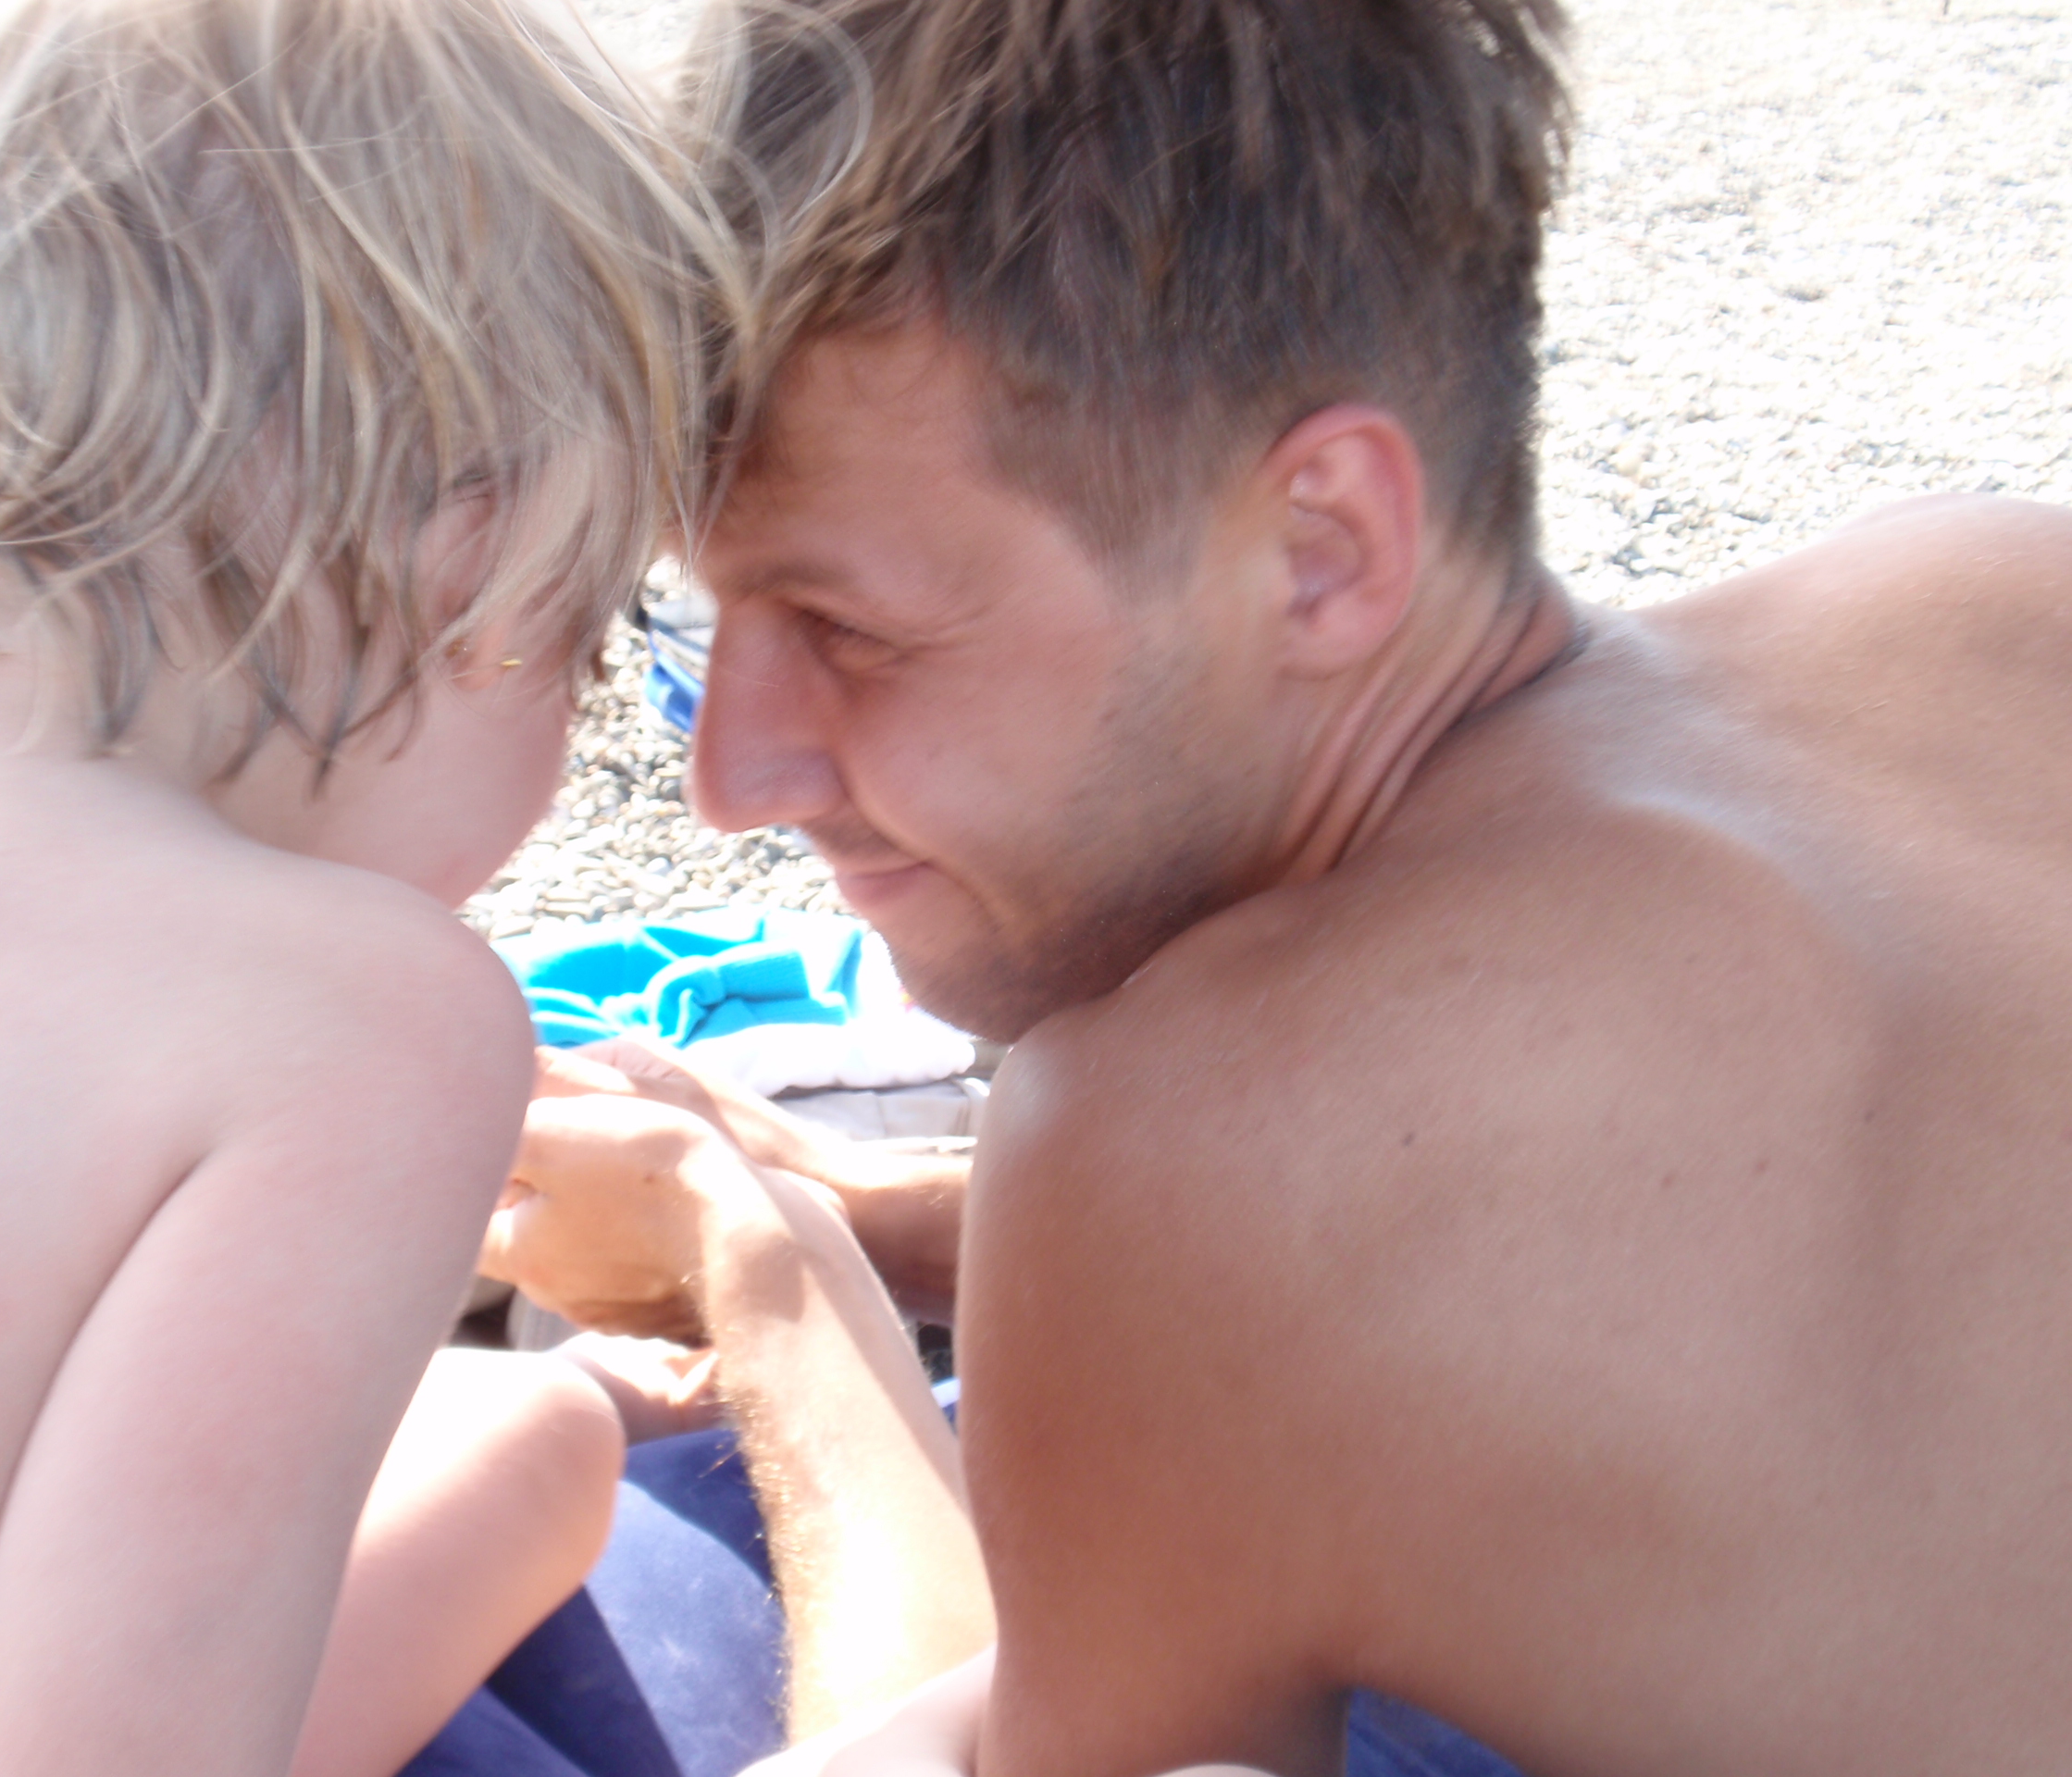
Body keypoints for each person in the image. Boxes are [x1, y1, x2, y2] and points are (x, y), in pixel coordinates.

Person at [480, 0, 2072, 1772]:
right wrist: (897, 1215)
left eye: (850, 630)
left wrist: (770, 1272)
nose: (730, 781)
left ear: (1318, 549)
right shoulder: (1999, 589)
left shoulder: (1167, 1143)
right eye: (699, 624)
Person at [0, 1, 725, 1772]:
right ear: (476, 568)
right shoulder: (365, 1028)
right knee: (541, 1456)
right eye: (591, 634)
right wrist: (549, 1443)